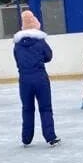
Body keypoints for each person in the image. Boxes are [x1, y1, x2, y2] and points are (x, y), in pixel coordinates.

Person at [13, 10, 60, 147]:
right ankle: (50, 136)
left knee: (27, 108)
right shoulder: (40, 41)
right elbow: (49, 56)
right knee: (45, 108)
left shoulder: (17, 44)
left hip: (24, 80)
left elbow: (17, 60)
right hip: (40, 78)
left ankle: (26, 138)